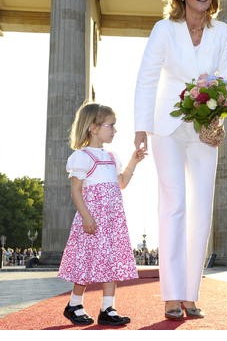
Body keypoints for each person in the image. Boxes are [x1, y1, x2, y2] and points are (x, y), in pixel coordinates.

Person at [133, 0, 227, 320]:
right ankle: (171, 294)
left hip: (206, 128)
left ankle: (191, 294)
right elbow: (147, 77)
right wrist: (141, 127)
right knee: (173, 204)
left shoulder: (222, 32)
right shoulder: (164, 29)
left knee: (200, 207)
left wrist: (218, 118)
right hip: (167, 126)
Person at [58, 102, 147, 326]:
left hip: (112, 220)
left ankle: (108, 308)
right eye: (111, 125)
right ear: (93, 127)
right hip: (93, 219)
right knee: (87, 262)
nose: (115, 130)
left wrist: (133, 162)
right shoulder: (82, 157)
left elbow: (122, 183)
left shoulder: (111, 157)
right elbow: (76, 192)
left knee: (111, 262)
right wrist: (87, 217)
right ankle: (74, 304)